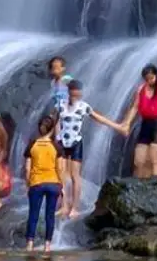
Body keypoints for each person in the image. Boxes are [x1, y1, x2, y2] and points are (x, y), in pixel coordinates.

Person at [54, 79, 126, 219]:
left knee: (75, 176)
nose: (75, 96)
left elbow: (99, 118)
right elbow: (56, 122)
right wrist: (56, 138)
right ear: (69, 92)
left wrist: (117, 126)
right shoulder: (60, 105)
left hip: (76, 142)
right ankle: (64, 205)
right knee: (61, 175)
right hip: (62, 143)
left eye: (77, 94)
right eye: (73, 94)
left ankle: (74, 207)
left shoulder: (83, 106)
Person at [120, 65, 157, 178]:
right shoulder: (141, 89)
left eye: (151, 78)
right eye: (147, 78)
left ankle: (156, 184)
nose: (149, 81)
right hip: (145, 123)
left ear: (156, 75)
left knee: (155, 158)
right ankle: (138, 183)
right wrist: (127, 123)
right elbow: (135, 107)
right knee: (139, 159)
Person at [24, 115, 63, 253]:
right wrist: (61, 185)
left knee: (33, 215)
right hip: (53, 183)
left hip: (36, 183)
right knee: (50, 216)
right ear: (52, 130)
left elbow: (27, 168)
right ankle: (47, 246)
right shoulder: (56, 147)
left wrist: (27, 183)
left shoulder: (32, 145)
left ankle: (30, 245)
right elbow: (60, 168)